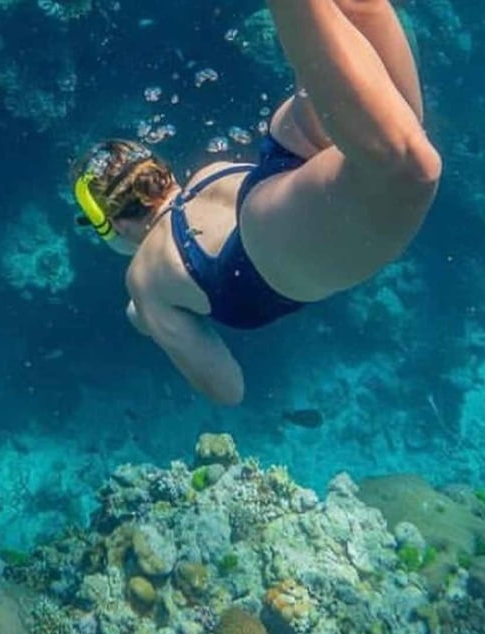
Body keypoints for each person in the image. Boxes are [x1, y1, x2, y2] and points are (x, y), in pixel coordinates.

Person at [72, 0, 441, 405]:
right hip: (279, 166)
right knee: (362, 26)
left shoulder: (144, 278)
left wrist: (151, 318)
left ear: (113, 223)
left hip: (270, 245)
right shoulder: (207, 172)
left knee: (408, 167)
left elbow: (228, 389)